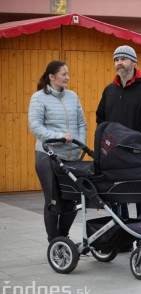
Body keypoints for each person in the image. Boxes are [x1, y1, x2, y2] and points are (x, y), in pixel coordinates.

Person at [96, 45, 141, 220]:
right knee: (117, 198)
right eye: (116, 60)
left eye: (123, 59)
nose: (119, 63)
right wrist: (105, 143)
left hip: (136, 155)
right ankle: (122, 237)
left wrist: (138, 142)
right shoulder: (109, 90)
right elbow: (100, 119)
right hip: (114, 155)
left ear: (134, 62)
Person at [28, 60, 87, 243]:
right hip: (48, 156)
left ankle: (62, 239)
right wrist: (60, 136)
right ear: (52, 77)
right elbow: (35, 126)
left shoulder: (73, 96)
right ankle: (54, 241)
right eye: (63, 74)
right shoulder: (38, 97)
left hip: (71, 157)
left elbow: (81, 123)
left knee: (72, 201)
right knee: (54, 202)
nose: (67, 78)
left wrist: (80, 144)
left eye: (68, 74)